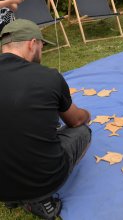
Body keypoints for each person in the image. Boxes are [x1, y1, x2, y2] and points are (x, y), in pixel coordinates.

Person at [0, 19, 91, 219]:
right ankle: (40, 199)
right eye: (42, 46)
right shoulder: (48, 76)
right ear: (32, 43)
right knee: (83, 131)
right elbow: (75, 121)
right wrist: (87, 115)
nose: (41, 51)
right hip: (41, 180)